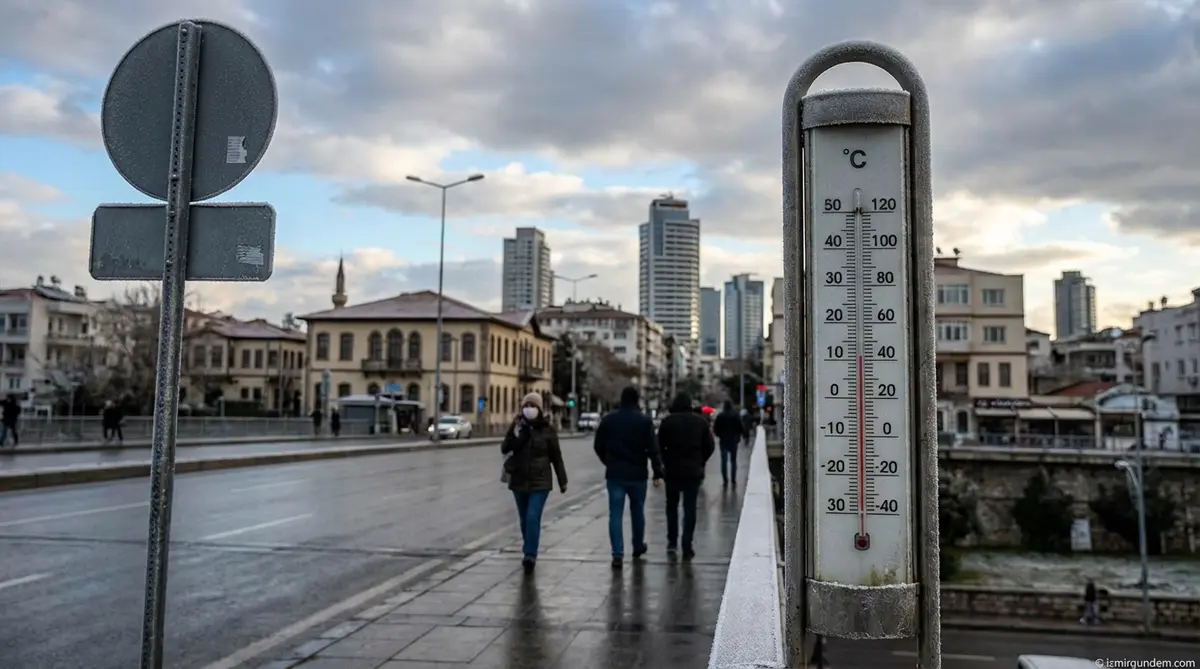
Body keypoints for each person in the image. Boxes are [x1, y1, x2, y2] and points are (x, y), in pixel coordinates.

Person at [594, 386, 663, 568]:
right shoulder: (644, 421)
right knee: (637, 511)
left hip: (615, 473)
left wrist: (608, 461)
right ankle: (638, 545)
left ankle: (617, 553)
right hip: (638, 474)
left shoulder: (609, 420)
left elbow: (598, 445)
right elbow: (653, 449)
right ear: (637, 400)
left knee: (615, 514)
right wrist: (657, 471)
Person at [502, 393, 568, 574]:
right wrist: (518, 434)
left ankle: (530, 554)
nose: (528, 408)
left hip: (540, 482)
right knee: (524, 520)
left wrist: (562, 480)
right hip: (518, 480)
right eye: (526, 405)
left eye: (532, 405)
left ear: (539, 409)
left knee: (532, 517)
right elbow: (505, 448)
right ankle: (528, 546)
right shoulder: (517, 426)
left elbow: (556, 457)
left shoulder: (548, 430)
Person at [657, 392, 715, 560]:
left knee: (672, 508)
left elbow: (658, 445)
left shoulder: (667, 422)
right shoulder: (700, 422)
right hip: (693, 471)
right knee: (690, 509)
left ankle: (672, 542)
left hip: (672, 471)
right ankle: (687, 544)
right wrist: (700, 461)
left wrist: (664, 463)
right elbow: (709, 446)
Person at [713, 401, 744, 486]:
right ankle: (733, 479)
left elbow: (715, 429)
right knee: (733, 461)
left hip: (723, 440)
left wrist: (720, 435)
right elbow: (741, 428)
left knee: (724, 461)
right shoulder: (735, 415)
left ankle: (725, 479)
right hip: (733, 440)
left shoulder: (720, 416)